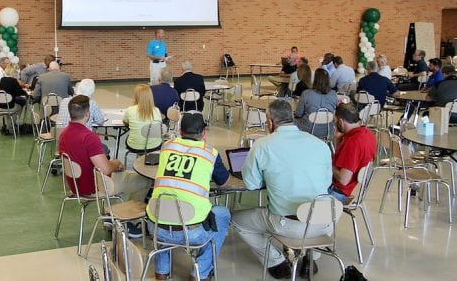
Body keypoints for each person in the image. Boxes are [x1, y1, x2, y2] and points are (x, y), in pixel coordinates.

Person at [232, 100, 332, 279]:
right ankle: (311, 257)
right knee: (315, 210)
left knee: (237, 220)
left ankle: (275, 262)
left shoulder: (263, 145)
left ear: (270, 122)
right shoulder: (320, 144)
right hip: (325, 223)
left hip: (289, 224)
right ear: (292, 118)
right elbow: (326, 182)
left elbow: (251, 184)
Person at [147, 112, 241, 281]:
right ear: (204, 133)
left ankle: (161, 272)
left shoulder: (166, 146)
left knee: (166, 207)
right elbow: (224, 182)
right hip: (190, 233)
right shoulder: (210, 153)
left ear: (180, 131)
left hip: (154, 228)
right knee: (222, 214)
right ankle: (200, 273)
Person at [57, 95, 151, 236]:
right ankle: (128, 221)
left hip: (75, 185)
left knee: (126, 176)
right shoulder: (89, 137)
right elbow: (105, 168)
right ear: (87, 114)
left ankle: (110, 216)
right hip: (96, 186)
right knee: (145, 180)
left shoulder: (63, 134)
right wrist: (116, 163)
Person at [328, 104, 377, 202]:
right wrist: (340, 140)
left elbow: (343, 180)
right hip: (345, 189)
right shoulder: (368, 134)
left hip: (335, 193)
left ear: (341, 122)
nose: (334, 125)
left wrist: (327, 162)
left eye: (335, 121)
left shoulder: (353, 143)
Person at [295, 68, 337, 139]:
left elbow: (298, 114)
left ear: (315, 79)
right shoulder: (333, 94)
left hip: (308, 129)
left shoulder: (306, 93)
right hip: (328, 129)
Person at [123, 84, 163, 153]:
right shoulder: (156, 111)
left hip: (134, 146)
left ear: (136, 96)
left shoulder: (130, 110)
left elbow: (125, 121)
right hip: (155, 146)